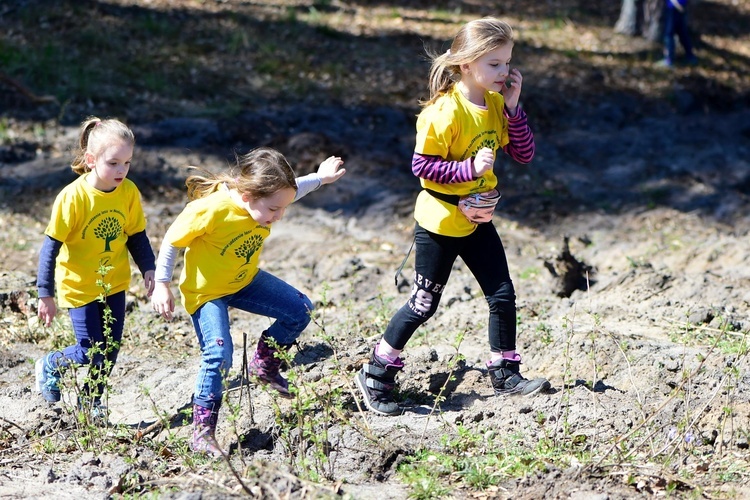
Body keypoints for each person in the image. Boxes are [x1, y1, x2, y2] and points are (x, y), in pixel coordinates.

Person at [355, 17, 551, 417]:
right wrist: (469, 171)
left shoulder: (497, 105)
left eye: (508, 62)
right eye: (494, 64)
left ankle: (504, 373)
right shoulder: (443, 113)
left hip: (477, 223)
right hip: (439, 224)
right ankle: (376, 371)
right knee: (424, 303)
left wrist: (514, 110)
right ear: (465, 64)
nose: (505, 72)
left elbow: (524, 154)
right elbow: (422, 168)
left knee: (502, 294)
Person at [151, 147, 345, 456]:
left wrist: (320, 178)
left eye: (281, 208)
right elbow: (171, 242)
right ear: (246, 196)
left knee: (300, 309)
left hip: (243, 280)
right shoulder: (210, 210)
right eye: (273, 210)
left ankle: (264, 364)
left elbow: (293, 192)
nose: (279, 216)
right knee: (218, 355)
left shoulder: (268, 199)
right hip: (207, 292)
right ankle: (202, 432)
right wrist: (162, 284)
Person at [35, 117, 156, 417]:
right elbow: (50, 247)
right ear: (91, 160)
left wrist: (149, 268)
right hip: (80, 285)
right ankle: (50, 364)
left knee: (111, 347)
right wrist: (44, 294)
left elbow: (136, 235)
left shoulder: (128, 192)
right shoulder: (72, 198)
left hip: (113, 281)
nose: (121, 170)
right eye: (113, 163)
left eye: (126, 163)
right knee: (89, 347)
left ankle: (91, 401)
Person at [659, 0, 698, 67]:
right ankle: (690, 56)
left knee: (669, 34)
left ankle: (669, 59)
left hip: (674, 7)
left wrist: (677, 4)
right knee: (682, 33)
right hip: (679, 6)